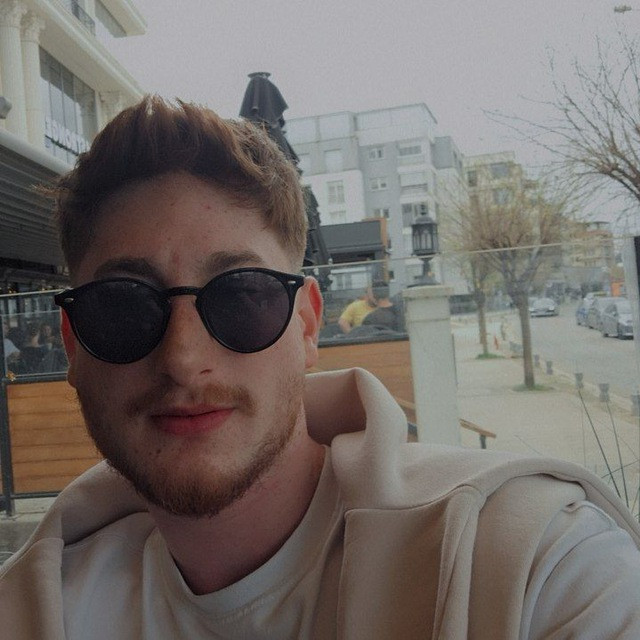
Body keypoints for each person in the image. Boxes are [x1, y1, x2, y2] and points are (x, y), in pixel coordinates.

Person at [1, 96, 639, 639]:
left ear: (307, 325)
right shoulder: (33, 608)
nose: (184, 360)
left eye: (241, 296)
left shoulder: (532, 562)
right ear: (73, 344)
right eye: (123, 306)